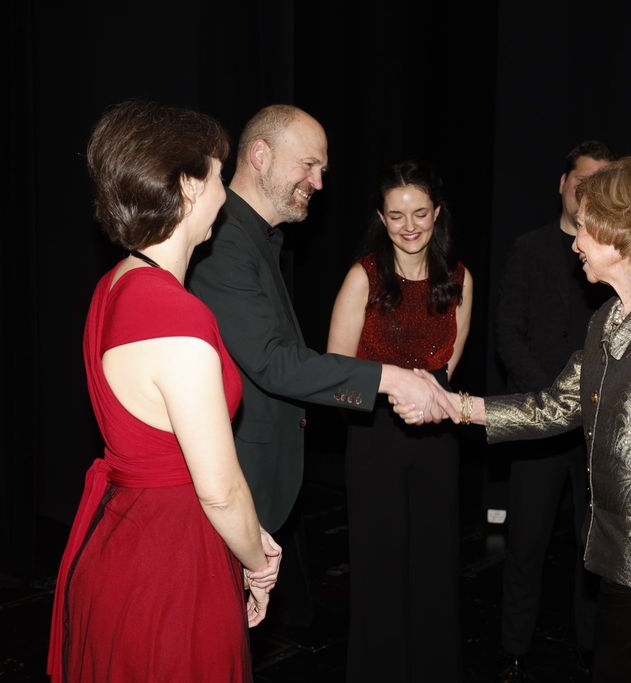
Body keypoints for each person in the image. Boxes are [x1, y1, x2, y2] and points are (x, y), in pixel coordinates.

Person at [419, 154, 631, 682]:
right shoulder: (612, 315)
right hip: (617, 559)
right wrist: (455, 406)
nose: (575, 242)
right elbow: (556, 405)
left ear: (623, 233)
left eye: (584, 228)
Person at [47, 99, 282, 682]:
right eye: (218, 176)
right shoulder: (177, 315)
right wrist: (258, 564)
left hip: (118, 544)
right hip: (170, 567)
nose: (226, 194)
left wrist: (252, 533)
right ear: (187, 185)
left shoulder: (115, 285)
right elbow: (221, 490)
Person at [187, 106, 455, 540]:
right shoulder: (226, 241)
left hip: (270, 480)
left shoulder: (257, 238)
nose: (318, 182)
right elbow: (274, 363)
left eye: (322, 169)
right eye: (309, 165)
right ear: (260, 155)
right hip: (243, 478)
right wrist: (392, 379)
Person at [326, 160, 472, 682]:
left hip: (436, 438)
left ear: (437, 213)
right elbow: (335, 376)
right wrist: (389, 392)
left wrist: (428, 403)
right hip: (374, 440)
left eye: (419, 213)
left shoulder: (458, 279)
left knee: (434, 566)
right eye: (396, 216)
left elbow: (447, 370)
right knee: (379, 569)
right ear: (381, 219)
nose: (409, 226)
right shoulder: (362, 276)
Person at [493, 140, 615, 681]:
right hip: (540, 426)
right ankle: (513, 648)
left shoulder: (615, 254)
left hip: (598, 431)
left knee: (596, 551)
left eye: (600, 183)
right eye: (581, 180)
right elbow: (507, 334)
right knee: (526, 542)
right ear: (562, 184)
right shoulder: (530, 249)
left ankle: (591, 649)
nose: (588, 191)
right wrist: (549, 403)